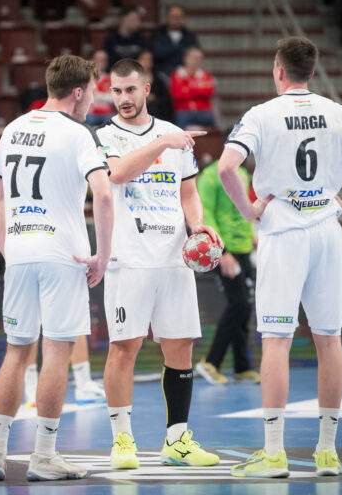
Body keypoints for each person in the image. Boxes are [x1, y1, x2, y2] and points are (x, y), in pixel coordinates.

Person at [217, 37, 342, 479]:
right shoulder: (341, 113)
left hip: (283, 231)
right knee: (329, 339)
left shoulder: (262, 114)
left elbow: (226, 167)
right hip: (326, 231)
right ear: (311, 72)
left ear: (279, 70)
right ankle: (327, 452)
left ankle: (274, 453)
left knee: (276, 340)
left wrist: (249, 211)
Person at [0, 54, 113, 482]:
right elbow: (104, 195)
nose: (94, 99)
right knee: (56, 352)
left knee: (17, 352)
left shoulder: (14, 127)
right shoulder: (78, 134)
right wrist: (102, 255)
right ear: (78, 92)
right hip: (62, 255)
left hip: (21, 254)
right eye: (92, 91)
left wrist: (7, 245)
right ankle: (45, 455)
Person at [95, 58, 221, 470]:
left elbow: (189, 193)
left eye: (130, 90)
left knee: (180, 345)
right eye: (116, 91)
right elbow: (117, 174)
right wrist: (163, 143)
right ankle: (123, 440)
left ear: (146, 89)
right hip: (128, 258)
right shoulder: (105, 136)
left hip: (173, 257)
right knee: (124, 347)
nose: (123, 98)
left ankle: (177, 439)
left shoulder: (172, 134)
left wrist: (198, 227)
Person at [0, 171, 107, 405]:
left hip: (32, 245)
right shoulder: (14, 157)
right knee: (49, 322)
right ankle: (55, 386)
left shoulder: (15, 156)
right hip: (43, 243)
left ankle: (62, 386)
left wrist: (2, 233)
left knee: (47, 323)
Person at [195, 159, 258, 385]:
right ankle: (210, 362)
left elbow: (245, 208)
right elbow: (206, 214)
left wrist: (252, 236)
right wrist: (221, 252)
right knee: (238, 303)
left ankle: (242, 367)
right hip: (226, 249)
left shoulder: (243, 173)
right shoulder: (211, 176)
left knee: (245, 306)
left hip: (244, 248)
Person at [170, 47, 216, 129]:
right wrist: (197, 87)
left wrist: (187, 88)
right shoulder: (176, 74)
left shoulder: (207, 75)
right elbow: (177, 94)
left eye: (200, 58)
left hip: (203, 111)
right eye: (194, 57)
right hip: (183, 111)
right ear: (186, 58)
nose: (197, 61)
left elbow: (208, 92)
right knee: (180, 125)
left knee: (212, 127)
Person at [151, 5, 200, 81]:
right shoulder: (157, 34)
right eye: (173, 16)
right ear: (167, 18)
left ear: (184, 18)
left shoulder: (190, 37)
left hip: (185, 77)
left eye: (179, 17)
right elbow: (156, 53)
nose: (176, 19)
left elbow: (195, 56)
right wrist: (179, 50)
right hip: (161, 77)